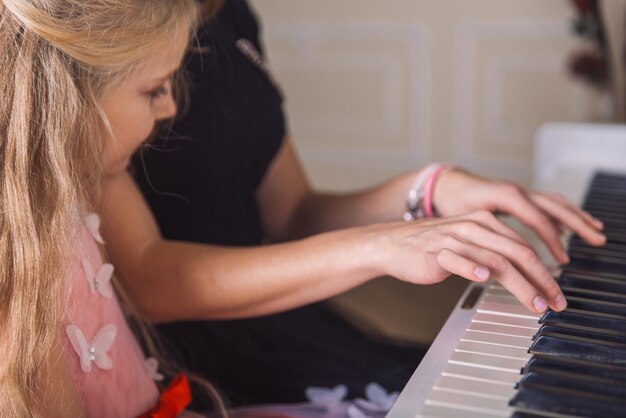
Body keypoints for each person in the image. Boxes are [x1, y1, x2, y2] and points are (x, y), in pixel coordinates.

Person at [98, 0, 606, 411]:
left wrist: (429, 188)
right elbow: (146, 279)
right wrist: (377, 247)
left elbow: (292, 211)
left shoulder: (231, 14)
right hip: (193, 366)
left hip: (290, 326)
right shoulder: (99, 27)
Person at [0, 0, 238, 416]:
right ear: (67, 95)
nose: (170, 108)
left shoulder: (66, 196)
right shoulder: (17, 258)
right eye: (155, 89)